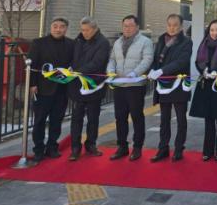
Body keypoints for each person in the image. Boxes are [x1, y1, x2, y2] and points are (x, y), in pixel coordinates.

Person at [107, 15, 153, 161]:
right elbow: (112, 59)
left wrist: (135, 73)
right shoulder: (117, 42)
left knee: (136, 116)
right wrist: (110, 71)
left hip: (135, 85)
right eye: (125, 26)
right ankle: (122, 146)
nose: (127, 28)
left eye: (131, 26)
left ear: (137, 27)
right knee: (120, 117)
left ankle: (137, 147)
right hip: (119, 84)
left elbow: (147, 60)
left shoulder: (145, 42)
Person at [28, 17, 74, 161]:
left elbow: (73, 63)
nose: (58, 29)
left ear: (66, 28)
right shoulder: (38, 43)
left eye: (62, 26)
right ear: (51, 27)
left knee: (56, 120)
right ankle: (38, 149)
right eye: (55, 26)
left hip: (62, 88)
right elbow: (32, 66)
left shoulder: (71, 44)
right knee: (39, 121)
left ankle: (52, 147)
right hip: (42, 88)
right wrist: (32, 84)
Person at [149, 14, 193, 162]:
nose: (172, 28)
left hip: (179, 85)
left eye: (175, 25)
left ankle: (179, 149)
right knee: (164, 119)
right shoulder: (162, 39)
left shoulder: (186, 42)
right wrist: (153, 69)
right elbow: (156, 58)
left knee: (181, 119)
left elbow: (181, 61)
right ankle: (163, 148)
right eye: (169, 25)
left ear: (181, 26)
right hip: (164, 85)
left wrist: (162, 71)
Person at [190, 19, 217, 161]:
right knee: (208, 119)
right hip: (206, 84)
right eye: (212, 30)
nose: (215, 33)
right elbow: (198, 61)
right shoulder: (204, 43)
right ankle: (207, 151)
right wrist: (203, 71)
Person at [69, 17, 111, 161]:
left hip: (94, 85)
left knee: (93, 118)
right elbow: (71, 58)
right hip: (77, 85)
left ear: (95, 29)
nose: (84, 33)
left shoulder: (103, 43)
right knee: (76, 118)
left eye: (87, 30)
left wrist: (78, 71)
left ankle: (91, 144)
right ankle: (75, 147)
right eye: (82, 30)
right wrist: (70, 69)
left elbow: (98, 63)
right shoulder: (78, 40)